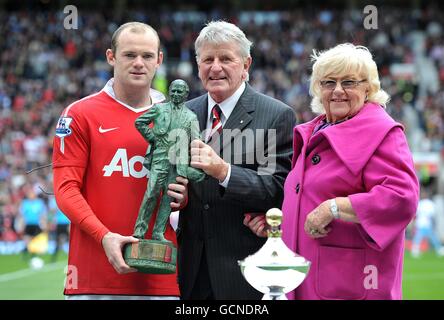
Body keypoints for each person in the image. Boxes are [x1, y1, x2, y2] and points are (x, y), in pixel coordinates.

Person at [246, 43, 419, 300]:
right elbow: (311, 197)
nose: (337, 91)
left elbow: (401, 198)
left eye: (348, 82)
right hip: (303, 280)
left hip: (348, 285)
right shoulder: (315, 130)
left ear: (368, 88)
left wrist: (334, 208)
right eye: (328, 83)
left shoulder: (382, 132)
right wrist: (279, 223)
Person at [52, 22, 188, 299]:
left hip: (162, 279)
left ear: (159, 60)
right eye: (129, 55)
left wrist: (184, 196)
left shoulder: (181, 117)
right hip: (94, 280)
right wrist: (104, 236)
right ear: (111, 57)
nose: (139, 63)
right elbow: (65, 190)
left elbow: (181, 193)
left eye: (147, 56)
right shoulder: (79, 114)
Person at [177, 20, 296, 300]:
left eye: (226, 59)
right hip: (188, 272)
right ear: (198, 65)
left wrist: (223, 171)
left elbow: (277, 189)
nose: (215, 67)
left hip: (244, 274)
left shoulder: (276, 115)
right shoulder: (183, 114)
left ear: (246, 65)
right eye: (208, 59)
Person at [133, 79, 205, 242]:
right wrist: (153, 139)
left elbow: (196, 141)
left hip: (178, 162)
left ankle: (158, 232)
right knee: (151, 192)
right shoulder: (159, 109)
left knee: (168, 197)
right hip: (159, 157)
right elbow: (140, 122)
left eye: (180, 91)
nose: (176, 94)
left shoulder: (191, 116)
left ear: (186, 94)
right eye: (173, 90)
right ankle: (139, 230)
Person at [411, 187, 444, 258]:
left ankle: (439, 249)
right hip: (420, 224)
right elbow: (416, 215)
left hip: (427, 224)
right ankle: (415, 250)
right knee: (418, 238)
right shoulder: (420, 203)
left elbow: (432, 215)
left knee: (433, 238)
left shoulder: (429, 203)